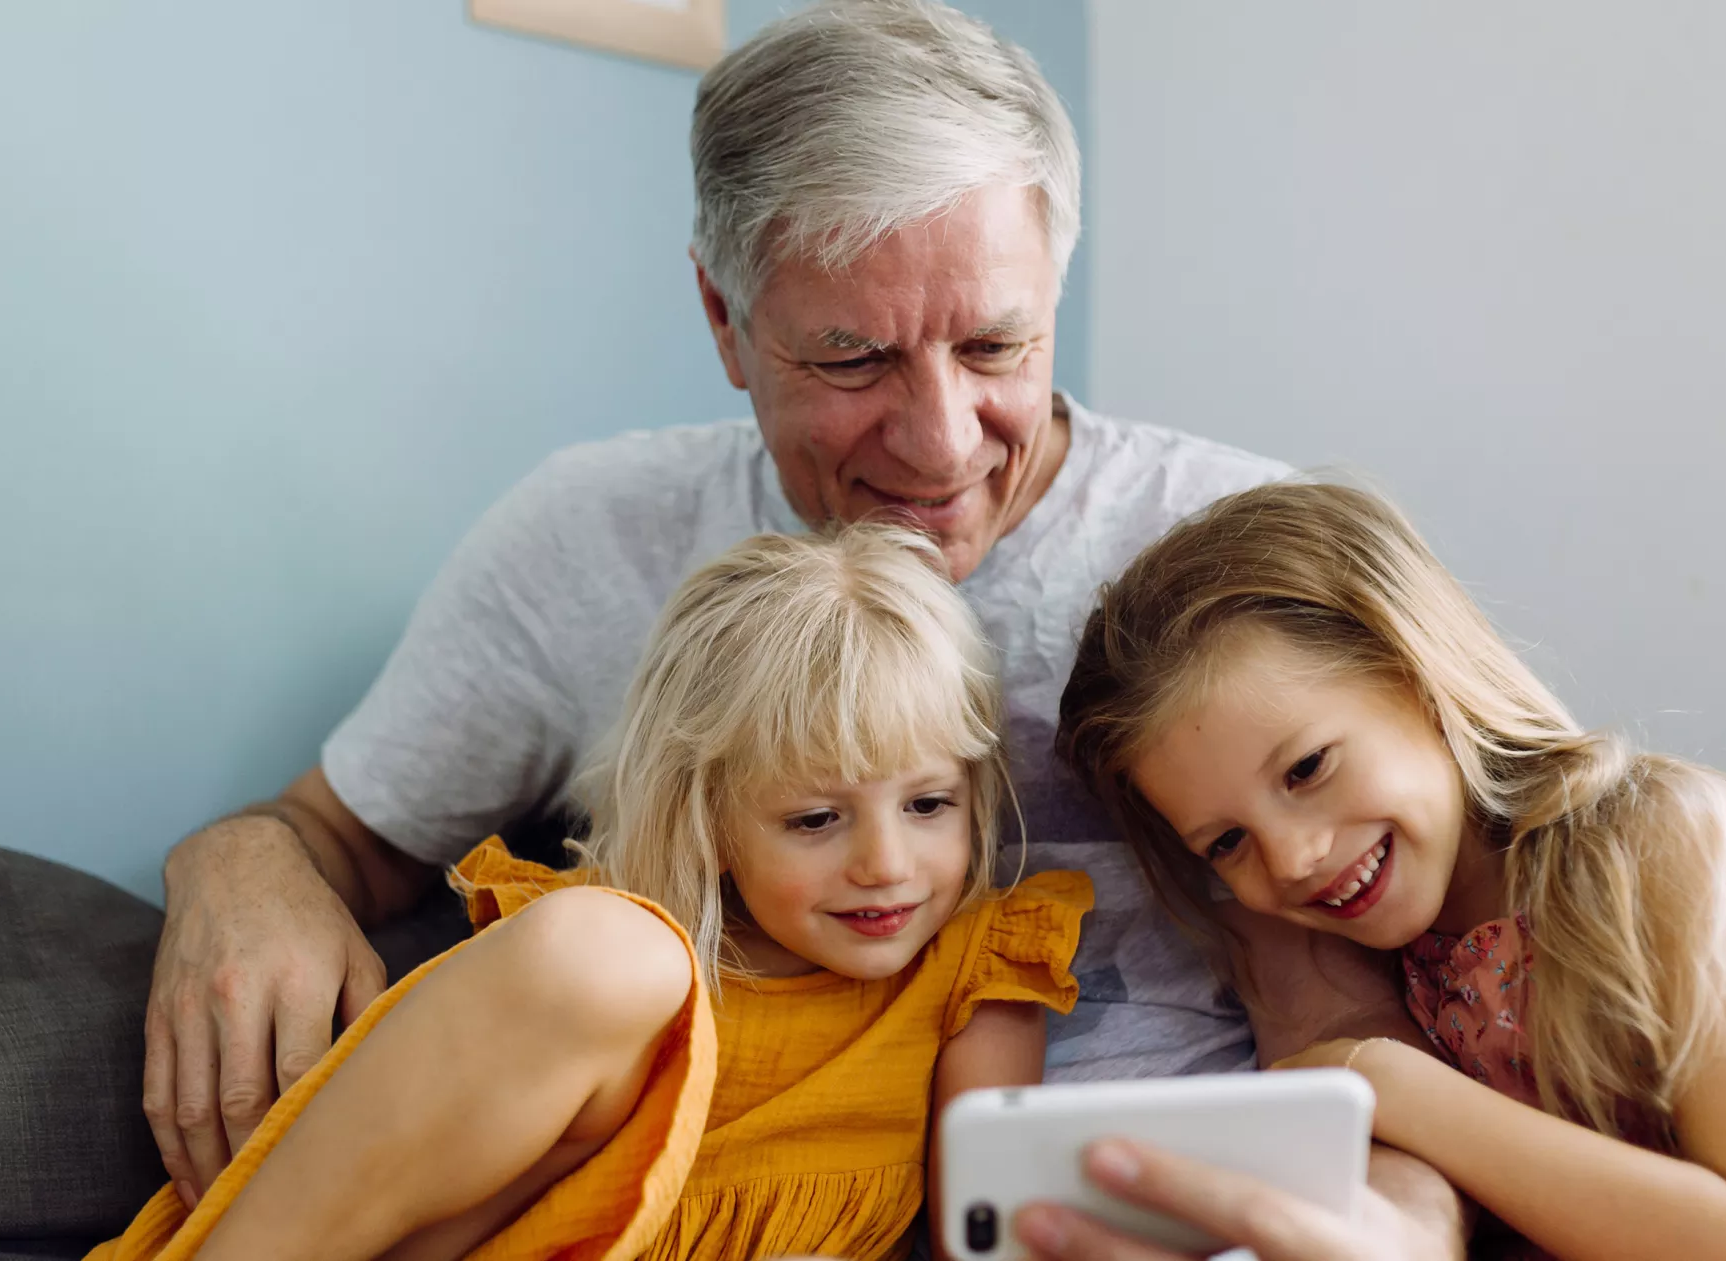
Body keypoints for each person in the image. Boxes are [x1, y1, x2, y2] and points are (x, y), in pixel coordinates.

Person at [138, 2, 1466, 1254]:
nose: (940, 443)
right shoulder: (591, 539)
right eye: (851, 358)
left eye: (994, 347)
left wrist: (1408, 1227)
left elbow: (1415, 999)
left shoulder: (1231, 554)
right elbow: (336, 837)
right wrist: (234, 870)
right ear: (725, 320)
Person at [1046, 480, 1726, 1261]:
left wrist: (1386, 1079)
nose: (1294, 855)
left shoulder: (1653, 843)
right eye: (1225, 842)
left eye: (1308, 768)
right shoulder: (1400, 957)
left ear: (1418, 673)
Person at [92, 524, 1091, 1260]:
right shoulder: (617, 955)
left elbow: (988, 1235)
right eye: (816, 818)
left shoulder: (975, 966)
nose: (886, 863)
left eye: (928, 803)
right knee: (621, 955)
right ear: (710, 821)